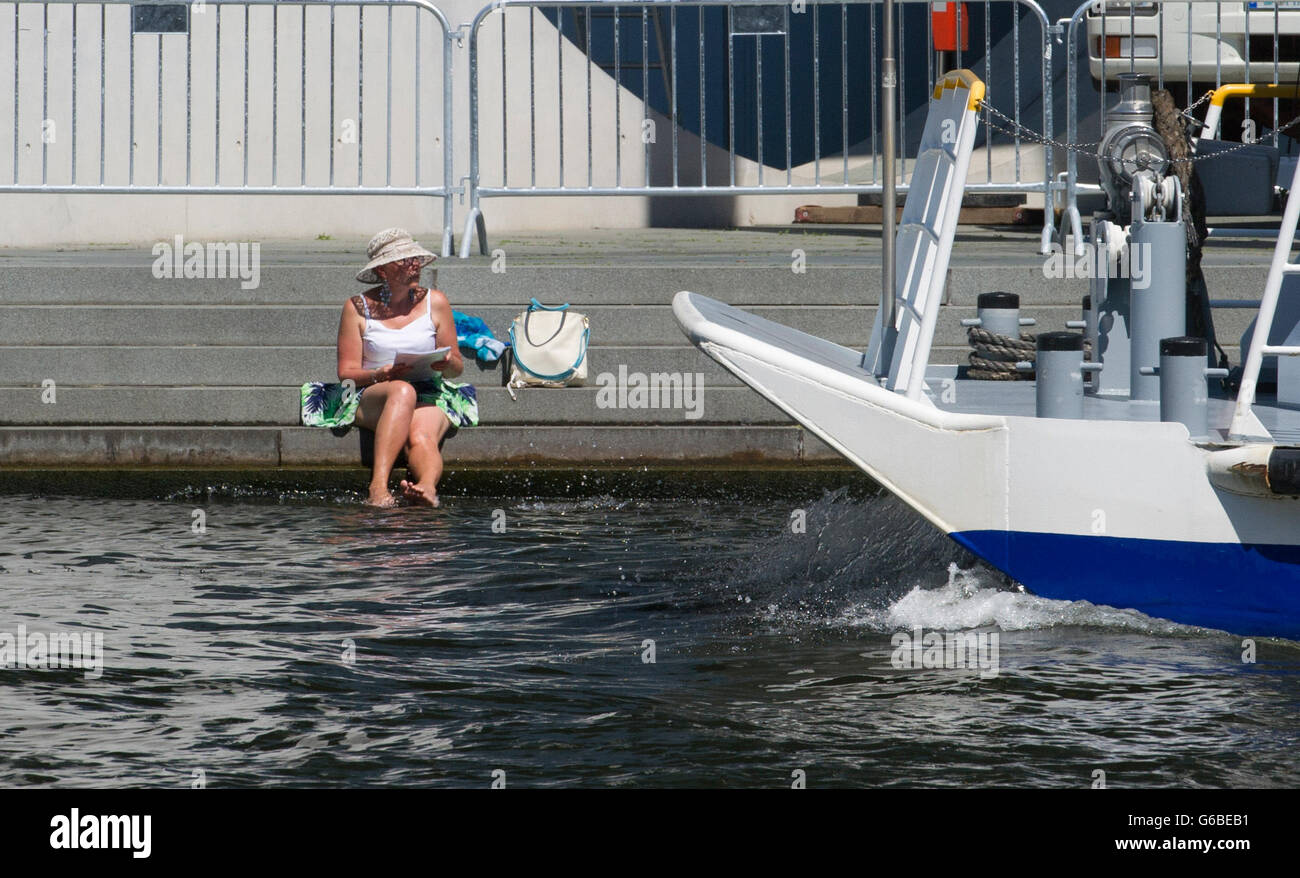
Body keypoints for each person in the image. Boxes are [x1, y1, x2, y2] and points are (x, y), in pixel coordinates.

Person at [336, 228, 479, 507]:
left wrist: (447, 363)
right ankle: (378, 486)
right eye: (403, 260)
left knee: (421, 434)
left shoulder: (435, 302)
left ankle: (426, 487)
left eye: (414, 257)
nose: (413, 264)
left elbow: (457, 368)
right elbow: (347, 373)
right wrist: (382, 374)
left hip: (429, 388)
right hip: (375, 391)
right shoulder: (357, 307)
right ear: (382, 270)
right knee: (402, 391)